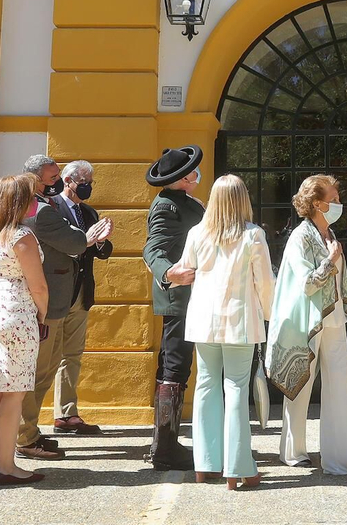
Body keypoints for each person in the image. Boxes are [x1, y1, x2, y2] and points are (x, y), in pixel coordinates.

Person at [166, 174, 275, 490]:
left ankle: (206, 464)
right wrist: (270, 316)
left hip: (203, 320)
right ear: (242, 200)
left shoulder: (197, 232)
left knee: (206, 386)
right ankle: (239, 467)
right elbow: (265, 283)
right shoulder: (252, 235)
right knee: (237, 389)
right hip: (239, 322)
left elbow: (184, 273)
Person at [267, 174, 347, 475]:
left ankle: (342, 458)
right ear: (317, 203)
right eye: (334, 199)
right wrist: (330, 261)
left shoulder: (329, 235)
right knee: (301, 384)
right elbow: (307, 283)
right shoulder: (300, 237)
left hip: (333, 318)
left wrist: (334, 258)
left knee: (340, 383)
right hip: (306, 320)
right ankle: (293, 452)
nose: (339, 203)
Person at [14, 155, 103, 461]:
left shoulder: (32, 206)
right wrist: (87, 238)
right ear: (36, 180)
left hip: (57, 298)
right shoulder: (42, 212)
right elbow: (76, 243)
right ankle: (25, 436)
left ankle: (30, 432)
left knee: (47, 367)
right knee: (40, 371)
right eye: (53, 179)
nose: (56, 184)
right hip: (47, 302)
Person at [0, 174, 49, 486]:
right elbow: (39, 286)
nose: (36, 201)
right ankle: (8, 465)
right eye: (32, 196)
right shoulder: (22, 237)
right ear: (20, 203)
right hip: (17, 314)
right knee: (14, 394)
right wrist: (42, 316)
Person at [143, 145, 206, 470]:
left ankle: (162, 445)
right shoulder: (167, 206)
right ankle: (165, 450)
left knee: (173, 368)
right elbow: (153, 248)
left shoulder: (182, 202)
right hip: (179, 299)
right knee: (174, 369)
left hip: (187, 297)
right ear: (183, 178)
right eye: (193, 170)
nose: (197, 173)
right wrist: (168, 273)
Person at [52, 160, 115, 436]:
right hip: (54, 291)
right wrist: (84, 240)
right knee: (46, 356)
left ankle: (66, 414)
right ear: (67, 180)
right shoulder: (51, 208)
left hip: (80, 293)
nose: (87, 186)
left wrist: (101, 240)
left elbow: (101, 252)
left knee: (72, 354)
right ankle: (23, 418)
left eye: (91, 181)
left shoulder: (88, 211)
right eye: (83, 181)